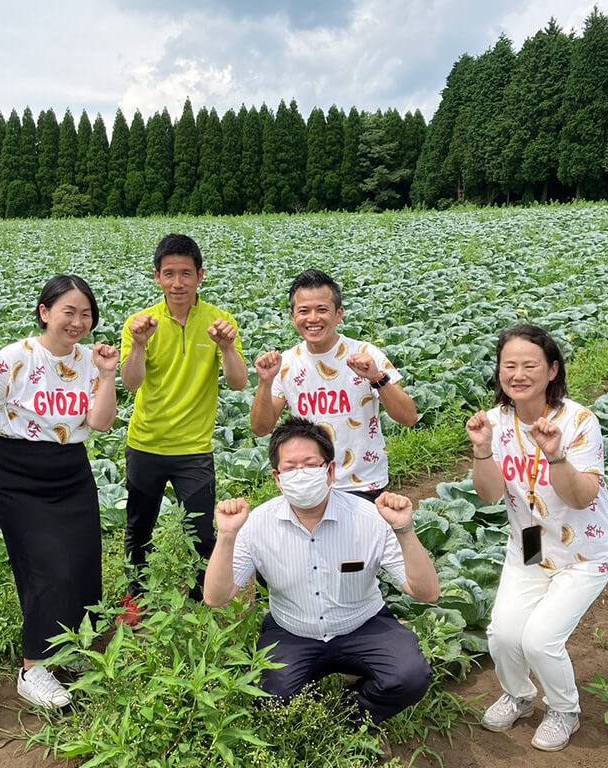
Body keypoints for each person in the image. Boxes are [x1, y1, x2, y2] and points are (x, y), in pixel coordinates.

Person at [204, 417, 440, 723]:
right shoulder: (257, 524)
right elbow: (216, 597)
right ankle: (311, 692)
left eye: (310, 464)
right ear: (278, 478)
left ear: (329, 471)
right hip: (293, 631)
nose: (300, 474)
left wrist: (405, 529)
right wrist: (226, 537)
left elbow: (427, 593)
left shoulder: (368, 517)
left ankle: (355, 715)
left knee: (410, 676)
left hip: (363, 625)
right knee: (272, 697)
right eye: (290, 467)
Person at [466, 324, 608, 752]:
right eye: (509, 365)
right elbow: (490, 494)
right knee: (502, 633)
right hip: (531, 544)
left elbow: (582, 495)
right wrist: (482, 450)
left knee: (540, 639)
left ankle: (564, 709)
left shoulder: (578, 421)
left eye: (529, 365)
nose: (518, 374)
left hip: (584, 551)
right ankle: (518, 696)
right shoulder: (495, 422)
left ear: (553, 370)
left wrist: (555, 457)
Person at [0, 275, 118, 709]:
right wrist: (2, 459)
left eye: (85, 314)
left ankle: (73, 651)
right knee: (45, 569)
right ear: (45, 312)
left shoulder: (91, 361)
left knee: (84, 564)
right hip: (16, 473)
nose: (77, 321)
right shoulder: (14, 358)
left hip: (71, 470)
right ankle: (33, 667)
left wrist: (108, 376)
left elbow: (102, 423)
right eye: (68, 311)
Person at [119, 234, 247, 622]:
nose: (178, 282)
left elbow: (239, 382)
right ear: (157, 277)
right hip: (147, 443)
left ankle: (198, 599)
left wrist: (227, 348)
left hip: (194, 449)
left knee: (202, 532)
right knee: (139, 527)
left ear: (200, 276)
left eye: (186, 274)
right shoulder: (140, 324)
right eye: (170, 274)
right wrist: (139, 345)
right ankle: (135, 597)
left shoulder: (220, 323)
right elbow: (131, 383)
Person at [251, 269, 417, 501]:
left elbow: (409, 417)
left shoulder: (366, 354)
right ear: (293, 316)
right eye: (304, 311)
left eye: (322, 310)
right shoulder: (286, 363)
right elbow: (261, 428)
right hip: (309, 484)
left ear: (339, 314)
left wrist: (376, 378)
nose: (313, 319)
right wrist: (265, 382)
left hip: (364, 483)